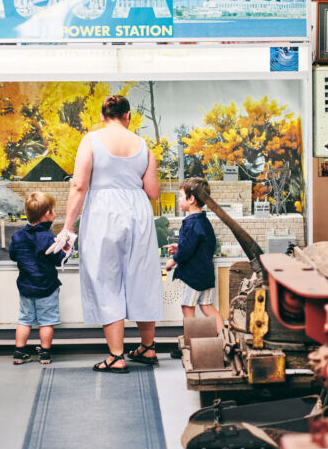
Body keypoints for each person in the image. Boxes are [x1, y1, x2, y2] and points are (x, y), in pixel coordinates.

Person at [52, 95, 163, 373]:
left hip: (103, 210)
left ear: (103, 116)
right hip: (138, 211)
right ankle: (148, 348)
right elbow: (153, 192)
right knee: (142, 276)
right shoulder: (143, 145)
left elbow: (79, 185)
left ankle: (116, 355)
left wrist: (68, 226)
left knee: (106, 277)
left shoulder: (91, 140)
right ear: (128, 116)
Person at [9, 192, 65, 365]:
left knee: (24, 320)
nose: (56, 214)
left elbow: (13, 255)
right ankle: (45, 354)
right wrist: (65, 248)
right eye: (54, 211)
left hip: (26, 286)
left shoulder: (17, 236)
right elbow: (59, 259)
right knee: (47, 322)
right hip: (47, 287)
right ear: (47, 214)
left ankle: (19, 353)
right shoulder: (49, 237)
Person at [165, 178, 221, 334]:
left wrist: (173, 260)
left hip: (192, 276)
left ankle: (191, 341)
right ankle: (225, 338)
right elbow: (203, 245)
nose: (178, 199)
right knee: (207, 306)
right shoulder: (204, 221)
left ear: (191, 199)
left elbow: (187, 250)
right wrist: (180, 246)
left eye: (181, 195)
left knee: (187, 307)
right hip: (205, 273)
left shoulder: (190, 223)